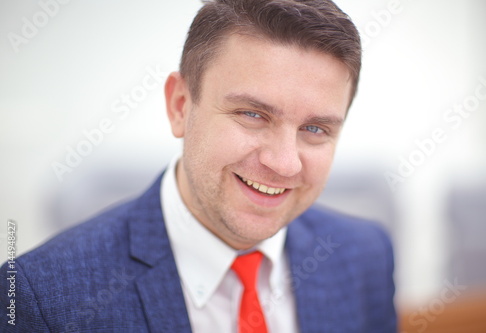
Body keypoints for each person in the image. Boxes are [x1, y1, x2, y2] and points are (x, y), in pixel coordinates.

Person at [1, 0, 397, 332]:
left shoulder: (365, 256)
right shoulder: (40, 298)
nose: (283, 163)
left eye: (315, 128)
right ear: (180, 106)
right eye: (252, 114)